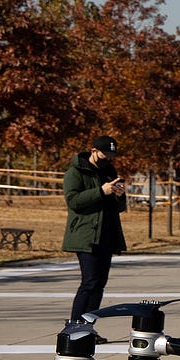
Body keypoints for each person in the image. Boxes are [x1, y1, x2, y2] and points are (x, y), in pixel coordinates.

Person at [63, 135, 128, 330]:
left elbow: (118, 207)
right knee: (89, 282)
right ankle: (75, 327)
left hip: (106, 235)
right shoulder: (76, 172)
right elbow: (73, 201)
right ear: (94, 151)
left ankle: (88, 328)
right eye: (105, 154)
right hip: (86, 235)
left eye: (111, 155)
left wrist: (120, 196)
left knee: (99, 284)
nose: (108, 158)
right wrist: (101, 191)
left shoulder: (109, 171)